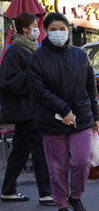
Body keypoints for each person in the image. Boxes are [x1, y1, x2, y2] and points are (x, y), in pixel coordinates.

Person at [29, 12, 99, 211]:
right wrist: (64, 108)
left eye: (62, 29)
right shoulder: (37, 58)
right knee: (57, 168)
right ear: (45, 31)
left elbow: (90, 88)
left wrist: (95, 115)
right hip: (51, 120)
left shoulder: (80, 54)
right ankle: (61, 203)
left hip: (82, 118)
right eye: (53, 29)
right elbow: (38, 90)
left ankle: (75, 196)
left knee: (82, 161)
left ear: (68, 30)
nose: (58, 33)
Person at [0, 12, 53, 205]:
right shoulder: (15, 51)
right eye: (34, 25)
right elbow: (8, 81)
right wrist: (34, 74)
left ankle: (8, 190)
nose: (37, 30)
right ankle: (46, 193)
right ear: (25, 28)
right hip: (25, 110)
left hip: (30, 109)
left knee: (20, 152)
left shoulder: (30, 50)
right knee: (39, 150)